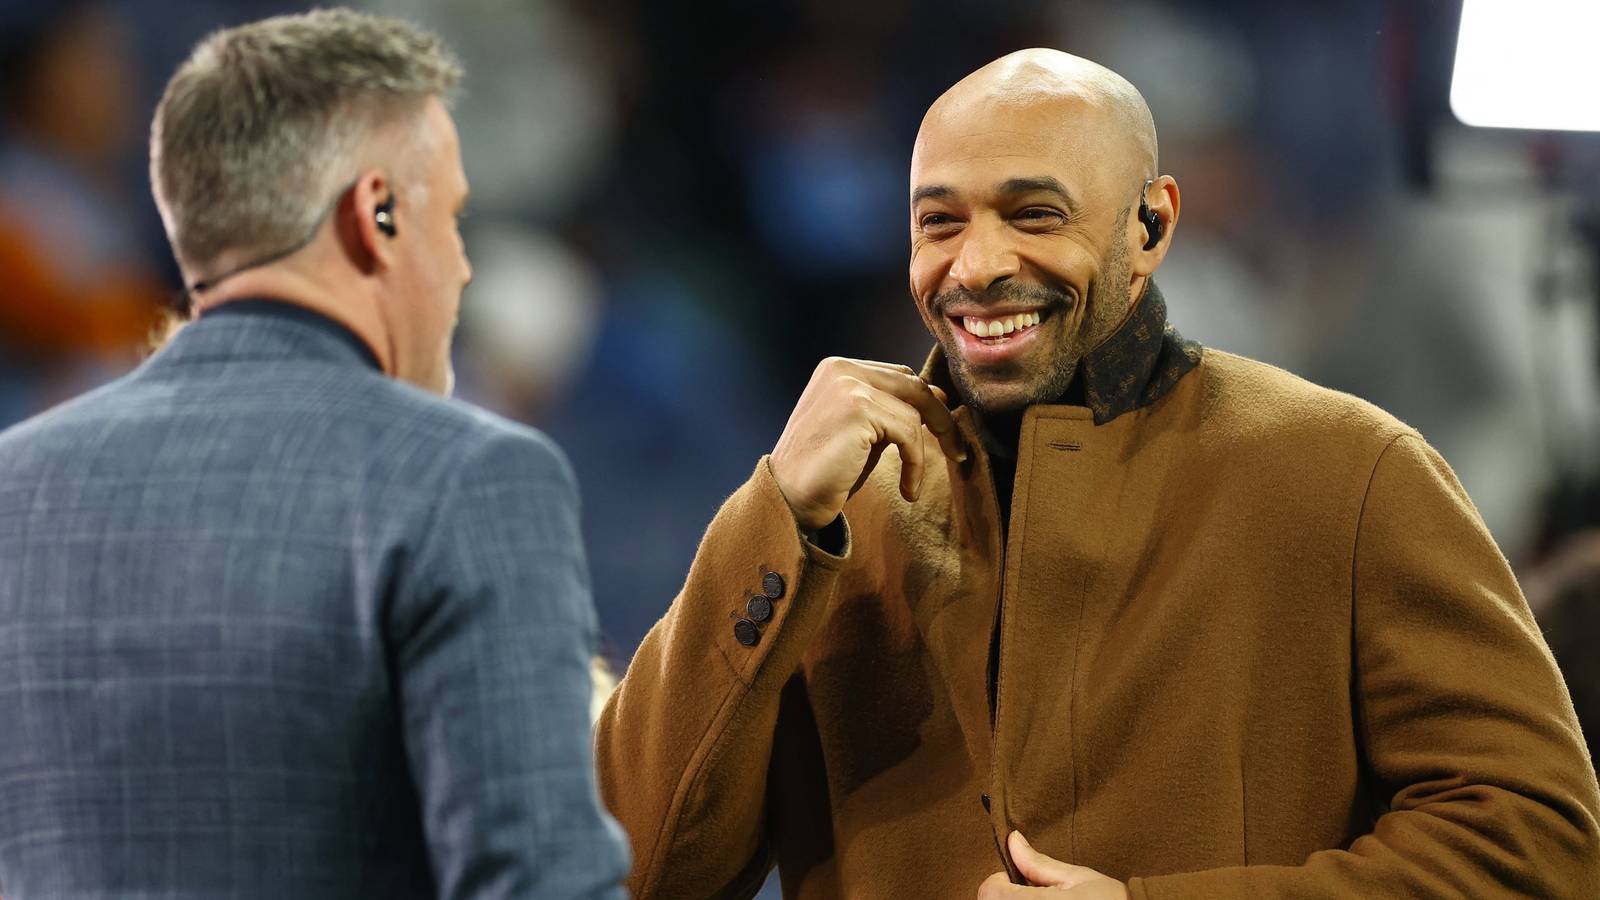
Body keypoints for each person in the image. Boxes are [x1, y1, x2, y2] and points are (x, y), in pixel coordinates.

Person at [596, 49, 1600, 897]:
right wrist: (775, 514)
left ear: (1150, 226)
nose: (975, 265)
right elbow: (628, 867)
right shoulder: (831, 513)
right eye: (939, 222)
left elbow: (1534, 838)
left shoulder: (1349, 471)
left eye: (1033, 215)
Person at [0, 10, 628, 898]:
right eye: (452, 219)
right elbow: (539, 881)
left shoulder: (13, 486)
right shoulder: (470, 480)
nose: (462, 268)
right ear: (374, 214)